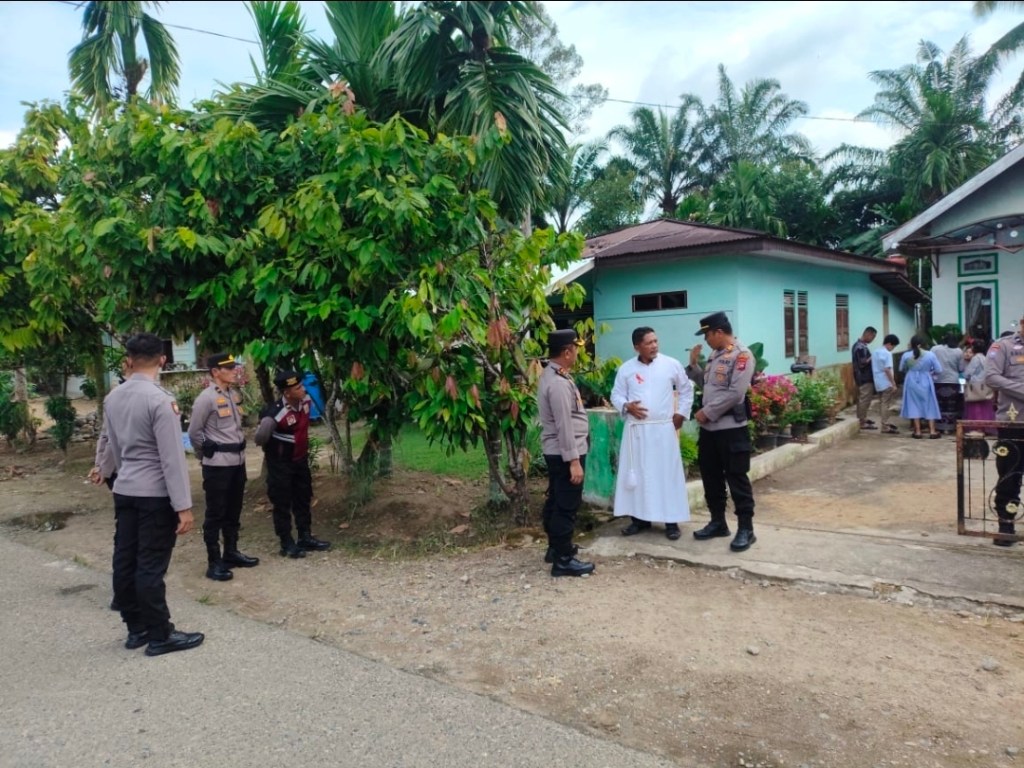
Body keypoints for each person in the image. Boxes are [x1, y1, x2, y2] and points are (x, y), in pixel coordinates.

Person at [97, 332, 204, 656]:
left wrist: (111, 474)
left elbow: (113, 446)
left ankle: (136, 627)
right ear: (162, 360)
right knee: (150, 565)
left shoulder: (113, 398)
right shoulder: (160, 400)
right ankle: (160, 634)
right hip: (154, 494)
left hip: (126, 488)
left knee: (125, 559)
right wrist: (183, 506)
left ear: (128, 360)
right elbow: (171, 458)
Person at [610, 326, 694, 540]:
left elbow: (686, 390)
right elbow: (616, 395)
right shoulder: (626, 369)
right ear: (637, 346)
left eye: (656, 341)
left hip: (663, 430)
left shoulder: (671, 364)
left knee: (666, 475)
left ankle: (671, 522)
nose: (654, 345)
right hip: (636, 433)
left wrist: (681, 413)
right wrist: (627, 406)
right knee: (639, 475)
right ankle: (639, 519)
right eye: (649, 343)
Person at [685, 311, 757, 552]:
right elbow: (710, 387)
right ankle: (718, 522)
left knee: (736, 477)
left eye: (707, 335)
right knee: (711, 476)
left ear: (718, 332)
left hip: (731, 429)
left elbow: (735, 393)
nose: (705, 340)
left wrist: (708, 412)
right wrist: (694, 366)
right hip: (710, 430)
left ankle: (746, 528)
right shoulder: (717, 355)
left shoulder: (742, 356)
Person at [187, 353, 259, 582]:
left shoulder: (233, 394)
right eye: (228, 368)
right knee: (215, 513)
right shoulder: (206, 399)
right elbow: (194, 433)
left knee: (234, 510)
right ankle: (214, 562)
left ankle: (231, 552)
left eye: (233, 367)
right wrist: (205, 455)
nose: (233, 371)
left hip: (237, 462)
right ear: (215, 372)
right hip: (217, 464)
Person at [254, 370, 331, 558]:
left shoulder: (305, 402)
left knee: (303, 498)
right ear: (287, 392)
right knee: (282, 502)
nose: (303, 389)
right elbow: (260, 437)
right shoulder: (275, 413)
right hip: (281, 464)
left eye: (301, 385)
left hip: (300, 461)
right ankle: (286, 542)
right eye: (298, 387)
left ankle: (305, 536)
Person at [537, 329, 595, 577]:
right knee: (566, 506)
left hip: (558, 451)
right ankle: (562, 560)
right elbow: (564, 425)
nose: (578, 352)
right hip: (565, 453)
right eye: (576, 348)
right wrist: (573, 461)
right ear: (567, 351)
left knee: (556, 500)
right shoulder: (558, 383)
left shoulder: (554, 375)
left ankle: (555, 548)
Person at [983, 312, 1024, 547]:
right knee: (1010, 477)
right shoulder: (1004, 347)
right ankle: (1006, 525)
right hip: (1013, 424)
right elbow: (991, 378)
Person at [899, 335, 942, 439]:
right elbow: (939, 370)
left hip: (911, 380)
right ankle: (932, 431)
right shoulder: (930, 355)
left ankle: (917, 431)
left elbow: (901, 368)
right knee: (929, 404)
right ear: (923, 344)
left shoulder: (906, 355)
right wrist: (930, 373)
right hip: (926, 379)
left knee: (913, 404)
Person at [931, 332, 965, 433]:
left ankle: (939, 426)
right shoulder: (958, 351)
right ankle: (950, 428)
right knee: (951, 405)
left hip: (938, 380)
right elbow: (961, 368)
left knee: (939, 404)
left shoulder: (935, 349)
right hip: (953, 381)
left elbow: (931, 364)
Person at [962, 338, 996, 425]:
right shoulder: (985, 358)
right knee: (984, 407)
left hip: (975, 387)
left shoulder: (975, 358)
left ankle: (977, 427)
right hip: (985, 385)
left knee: (975, 408)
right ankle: (986, 426)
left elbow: (967, 374)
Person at [871, 334, 900, 435]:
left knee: (882, 402)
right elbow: (887, 369)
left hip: (878, 381)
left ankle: (885, 423)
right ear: (889, 344)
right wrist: (893, 383)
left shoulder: (875, 352)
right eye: (893, 346)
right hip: (886, 381)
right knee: (885, 404)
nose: (892, 349)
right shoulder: (887, 354)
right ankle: (884, 425)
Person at [852, 326, 878, 430]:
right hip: (864, 376)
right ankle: (861, 421)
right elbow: (862, 363)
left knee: (864, 399)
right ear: (868, 334)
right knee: (864, 399)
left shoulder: (859, 346)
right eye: (873, 337)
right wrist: (873, 357)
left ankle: (863, 418)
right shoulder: (860, 347)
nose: (873, 339)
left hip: (863, 376)